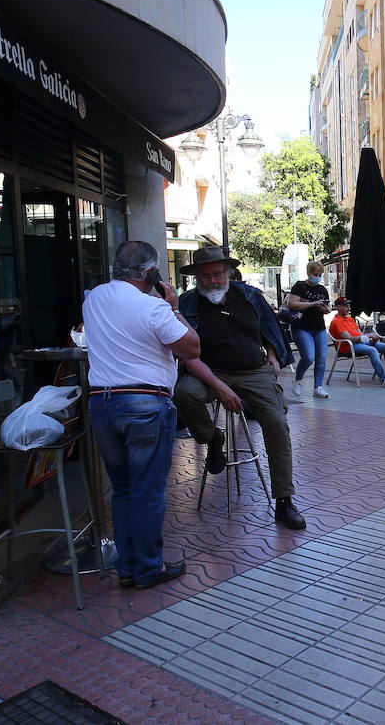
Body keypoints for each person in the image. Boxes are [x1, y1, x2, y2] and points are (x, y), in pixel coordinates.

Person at [82, 240, 200, 588]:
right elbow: (192, 347)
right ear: (152, 273)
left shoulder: (93, 298)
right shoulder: (154, 308)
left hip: (102, 404)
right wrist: (174, 306)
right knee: (147, 490)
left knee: (122, 490)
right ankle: (149, 569)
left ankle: (127, 567)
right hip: (144, 405)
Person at [173, 247, 307, 530]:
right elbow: (183, 349)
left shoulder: (250, 296)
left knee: (276, 423)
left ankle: (284, 500)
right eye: (205, 276)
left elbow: (271, 329)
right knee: (184, 393)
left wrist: (272, 355)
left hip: (253, 369)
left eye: (218, 274)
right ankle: (213, 439)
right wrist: (219, 386)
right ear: (197, 277)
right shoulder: (186, 303)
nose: (212, 280)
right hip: (209, 372)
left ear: (228, 273)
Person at [328, 297, 385, 387]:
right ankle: (384, 379)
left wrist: (370, 338)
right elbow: (349, 338)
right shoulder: (336, 322)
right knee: (372, 350)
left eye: (349, 306)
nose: (349, 308)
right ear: (338, 307)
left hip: (358, 343)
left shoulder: (350, 319)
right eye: (346, 306)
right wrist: (364, 339)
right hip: (348, 347)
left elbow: (360, 334)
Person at [287, 261, 331, 399]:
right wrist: (312, 303)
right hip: (301, 327)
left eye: (320, 275)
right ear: (309, 273)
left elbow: (328, 308)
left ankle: (318, 387)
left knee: (322, 358)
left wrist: (326, 309)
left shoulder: (322, 289)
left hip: (319, 327)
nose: (317, 277)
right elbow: (291, 303)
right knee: (308, 357)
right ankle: (298, 380)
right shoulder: (300, 286)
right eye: (315, 274)